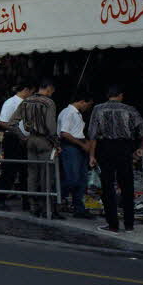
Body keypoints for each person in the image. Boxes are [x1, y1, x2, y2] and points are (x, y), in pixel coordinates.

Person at [88, 84, 143, 234]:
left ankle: (112, 225)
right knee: (127, 186)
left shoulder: (98, 109)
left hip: (106, 149)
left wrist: (91, 155)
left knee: (107, 187)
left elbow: (93, 135)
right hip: (125, 149)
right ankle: (129, 224)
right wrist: (141, 148)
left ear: (107, 95)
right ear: (120, 95)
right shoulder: (129, 109)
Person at [12, 78, 61, 219]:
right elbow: (51, 128)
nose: (52, 93)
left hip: (31, 140)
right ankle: (46, 208)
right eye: (52, 91)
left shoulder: (26, 101)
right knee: (46, 175)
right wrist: (56, 144)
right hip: (44, 141)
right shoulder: (49, 103)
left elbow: (12, 123)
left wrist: (23, 137)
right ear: (49, 89)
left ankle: (33, 206)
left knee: (32, 175)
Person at [0, 80, 32, 210]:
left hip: (24, 139)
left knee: (25, 172)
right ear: (26, 90)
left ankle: (26, 201)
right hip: (13, 139)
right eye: (31, 91)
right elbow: (3, 121)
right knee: (10, 170)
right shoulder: (11, 102)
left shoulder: (26, 103)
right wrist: (19, 133)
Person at [58, 91, 94, 219]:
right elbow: (64, 133)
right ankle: (54, 201)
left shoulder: (76, 114)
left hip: (78, 147)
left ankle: (79, 208)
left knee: (81, 180)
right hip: (71, 147)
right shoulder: (70, 112)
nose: (88, 107)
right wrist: (82, 144)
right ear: (82, 101)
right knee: (72, 179)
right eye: (88, 104)